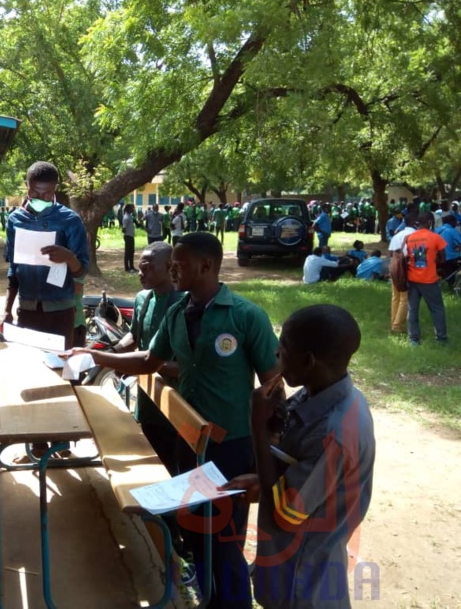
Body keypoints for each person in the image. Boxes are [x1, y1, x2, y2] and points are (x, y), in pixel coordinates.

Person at [70, 233, 279, 607]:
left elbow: (273, 385)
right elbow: (149, 361)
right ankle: (208, 595)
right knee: (195, 528)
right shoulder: (178, 311)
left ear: (207, 266)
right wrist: (96, 356)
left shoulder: (245, 316)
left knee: (225, 539)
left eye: (179, 265)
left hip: (231, 447)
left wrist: (268, 454)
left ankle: (231, 602)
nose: (172, 270)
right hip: (188, 440)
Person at [222, 304, 375, 609]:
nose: (276, 353)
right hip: (290, 568)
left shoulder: (333, 433)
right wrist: (275, 431)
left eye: (284, 348)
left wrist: (257, 429)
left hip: (302, 584)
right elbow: (298, 466)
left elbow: (286, 515)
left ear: (308, 361)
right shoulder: (316, 393)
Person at [3, 161, 89, 461]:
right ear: (27, 188)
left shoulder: (69, 221)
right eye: (38, 191)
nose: (43, 196)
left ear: (56, 191)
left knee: (61, 373)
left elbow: (82, 271)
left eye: (50, 192)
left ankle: (62, 444)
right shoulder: (15, 219)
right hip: (28, 309)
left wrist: (69, 258)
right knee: (33, 375)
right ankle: (37, 445)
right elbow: (13, 268)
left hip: (61, 309)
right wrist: (8, 308)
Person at [111, 242, 183, 474]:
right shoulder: (144, 298)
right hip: (148, 393)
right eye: (140, 267)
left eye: (148, 267)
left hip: (178, 398)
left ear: (169, 267)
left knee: (174, 459)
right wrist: (113, 354)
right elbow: (135, 334)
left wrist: (142, 365)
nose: (141, 273)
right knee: (151, 449)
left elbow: (184, 365)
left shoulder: (185, 302)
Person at [403, 212, 447, 344]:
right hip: (429, 279)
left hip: (412, 278)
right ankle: (441, 338)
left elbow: (406, 256)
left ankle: (414, 339)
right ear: (430, 222)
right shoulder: (435, 237)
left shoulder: (409, 238)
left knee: (412, 309)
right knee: (437, 308)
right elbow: (443, 258)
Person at [436, 214, 461, 287]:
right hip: (451, 259)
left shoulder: (436, 230)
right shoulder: (452, 231)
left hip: (438, 258)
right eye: (456, 222)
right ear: (452, 222)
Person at [122, 203, 138, 273]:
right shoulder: (126, 217)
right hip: (128, 236)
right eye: (132, 208)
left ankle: (131, 266)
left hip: (131, 236)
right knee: (128, 252)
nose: (133, 209)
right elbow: (123, 229)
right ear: (129, 209)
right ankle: (127, 268)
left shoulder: (130, 216)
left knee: (131, 251)